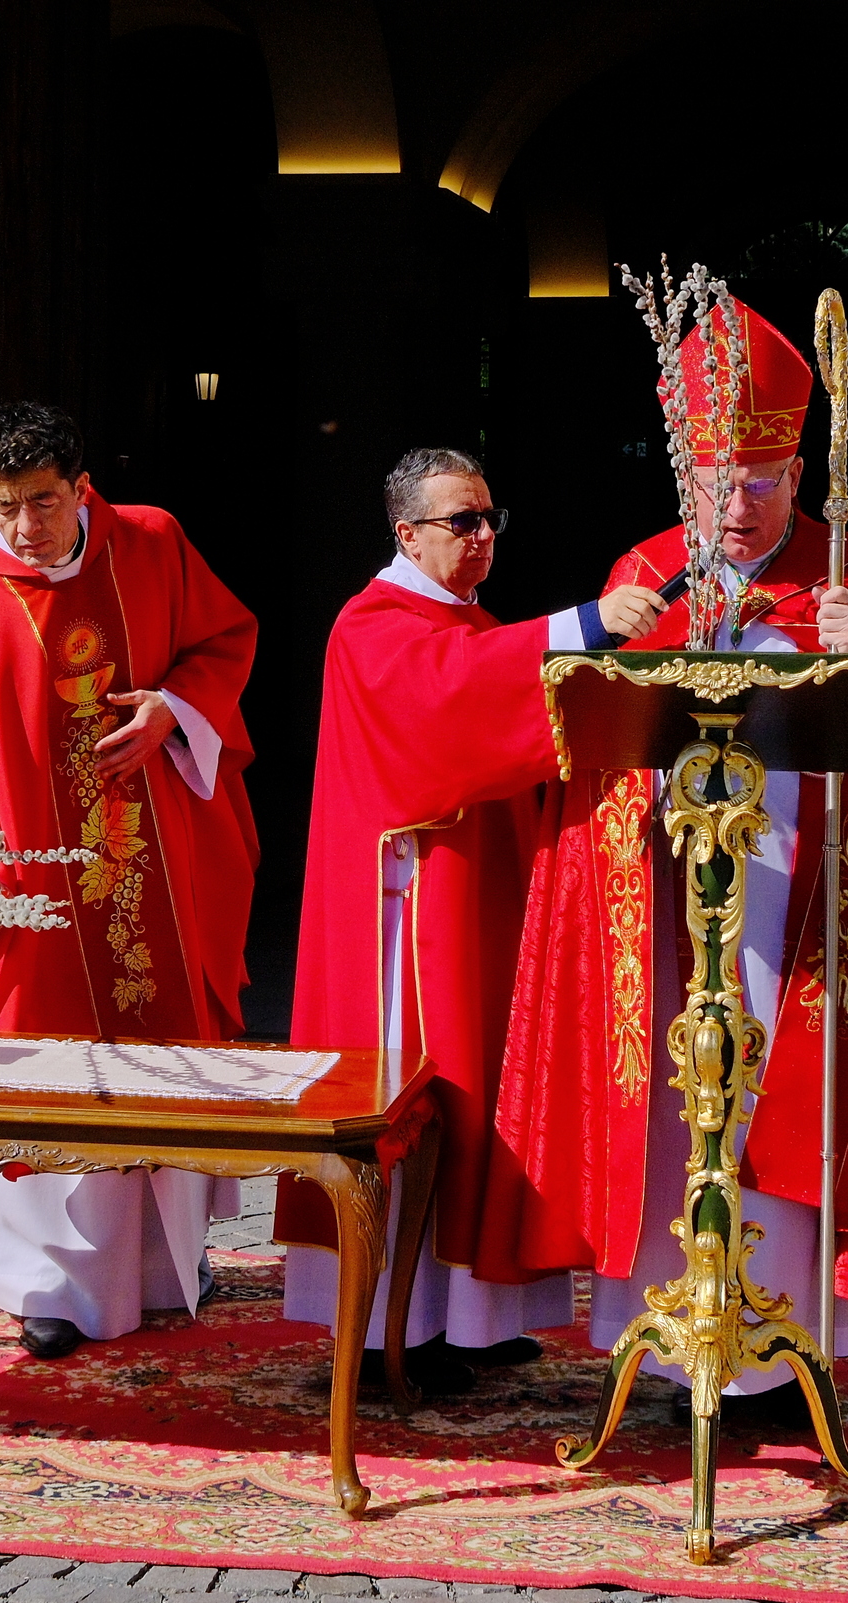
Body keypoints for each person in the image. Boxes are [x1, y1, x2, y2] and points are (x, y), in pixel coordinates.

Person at [503, 296, 848, 1425]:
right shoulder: (645, 571)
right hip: (666, 904)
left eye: (759, 483)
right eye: (715, 483)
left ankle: (783, 1347)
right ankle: (665, 1344)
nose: (736, 509)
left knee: (781, 1099)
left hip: (796, 912)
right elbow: (586, 746)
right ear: (683, 473)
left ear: (797, 474)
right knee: (674, 1104)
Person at [0, 400, 260, 1361]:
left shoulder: (153, 544)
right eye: (3, 505)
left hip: (152, 859)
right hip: (36, 893)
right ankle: (44, 1282)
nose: (24, 526)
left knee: (165, 1057)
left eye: (42, 502)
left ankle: (171, 1265)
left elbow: (223, 641)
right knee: (40, 1064)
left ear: (82, 487)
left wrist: (172, 710)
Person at [275, 448, 663, 1394]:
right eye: (463, 520)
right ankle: (386, 1335)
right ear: (406, 533)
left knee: (482, 1101)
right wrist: (583, 626)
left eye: (491, 517)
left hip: (474, 902)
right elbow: (451, 702)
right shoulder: (371, 623)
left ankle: (466, 1321)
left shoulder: (473, 622)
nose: (483, 535)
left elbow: (505, 696)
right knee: (416, 1103)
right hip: (403, 919)